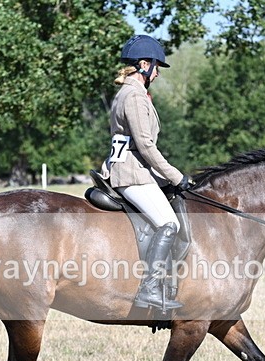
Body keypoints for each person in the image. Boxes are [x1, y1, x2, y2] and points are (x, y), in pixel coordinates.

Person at [106, 35, 190, 311]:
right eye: (156, 67)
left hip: (130, 169)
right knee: (169, 223)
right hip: (132, 174)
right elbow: (145, 144)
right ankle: (150, 289)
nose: (157, 73)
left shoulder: (128, 93)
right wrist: (176, 176)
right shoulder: (134, 96)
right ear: (144, 65)